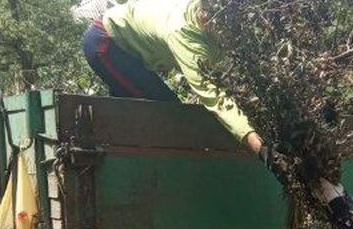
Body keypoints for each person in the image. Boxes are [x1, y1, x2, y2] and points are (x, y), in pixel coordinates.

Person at [82, 0, 265, 157]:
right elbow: (213, 96)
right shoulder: (183, 32)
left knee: (135, 108)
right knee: (167, 111)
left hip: (132, 45)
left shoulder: (222, 24)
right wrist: (258, 146)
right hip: (107, 44)